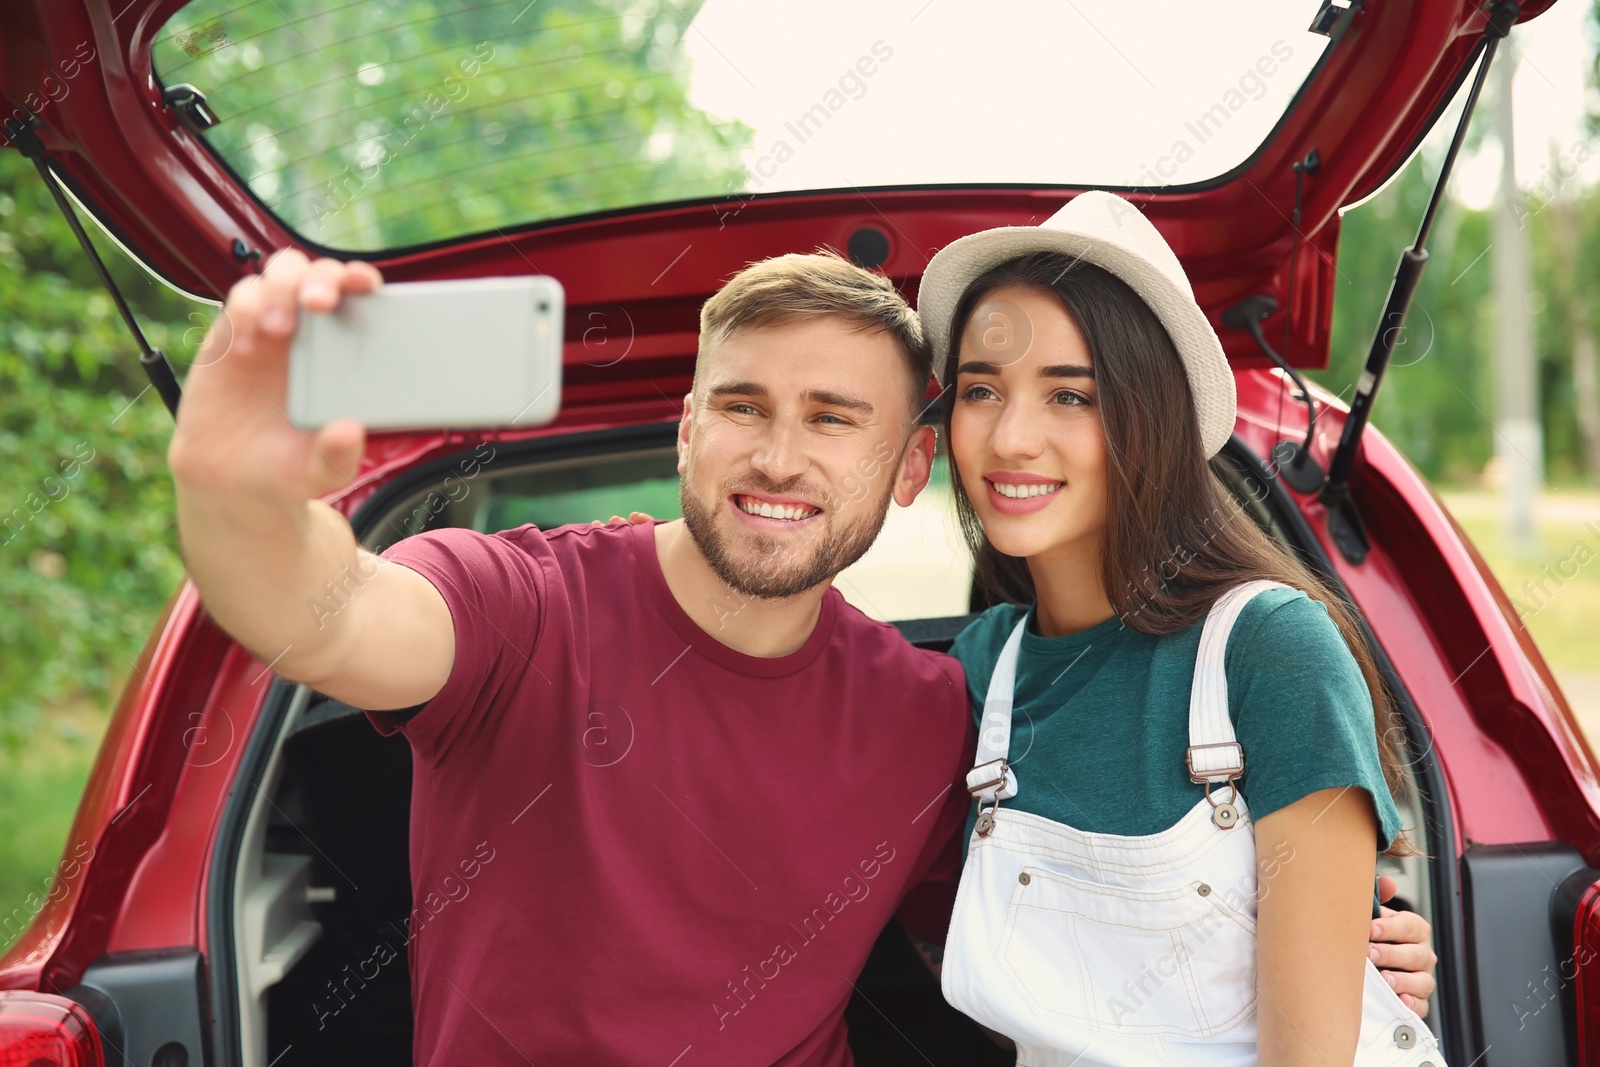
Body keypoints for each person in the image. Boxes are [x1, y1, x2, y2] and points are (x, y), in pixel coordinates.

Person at [166, 243, 1437, 1065]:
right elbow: (324, 613)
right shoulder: (522, 604)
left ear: (903, 469)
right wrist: (235, 496)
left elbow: (1052, 925)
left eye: (834, 419)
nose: (779, 457)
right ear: (686, 428)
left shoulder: (937, 705)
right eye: (743, 407)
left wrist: (1339, 950)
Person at [917, 190, 1445, 1065]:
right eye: (982, 389)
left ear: (1150, 414)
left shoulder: (1270, 652)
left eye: (1071, 397)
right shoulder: (982, 671)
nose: (1011, 437)